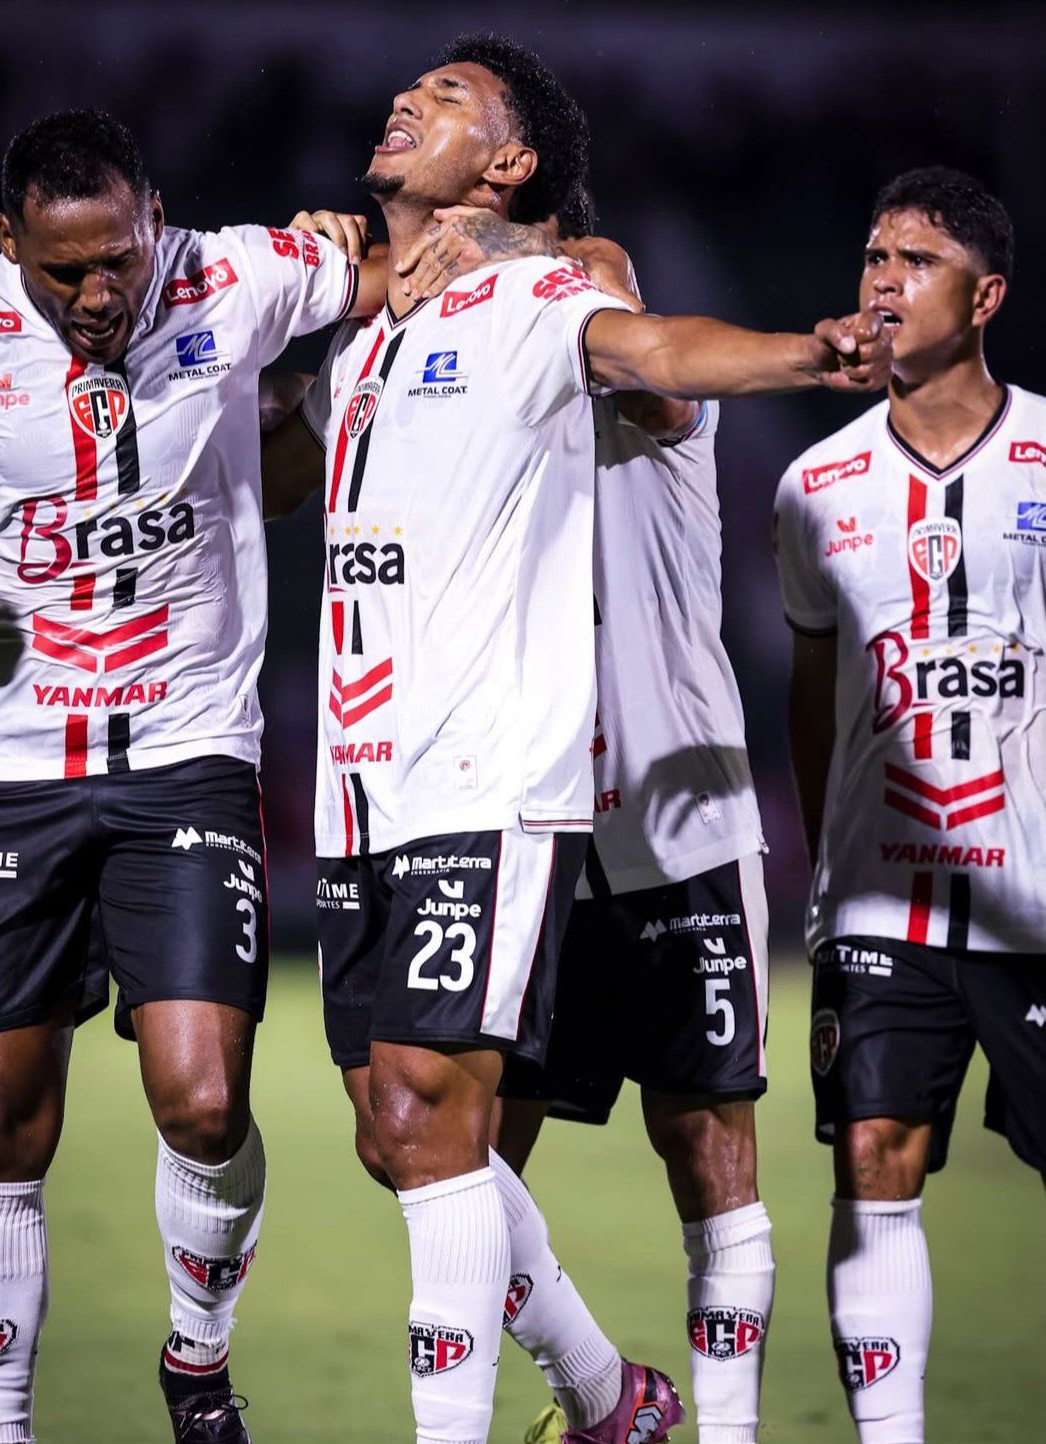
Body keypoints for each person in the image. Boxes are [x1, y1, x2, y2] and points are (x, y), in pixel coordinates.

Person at [266, 32, 887, 1444]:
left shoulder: (569, 299)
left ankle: (689, 1424)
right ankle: (611, 1396)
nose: (406, 100)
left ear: (514, 170)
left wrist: (804, 350)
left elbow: (648, 342)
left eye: (450, 101)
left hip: (640, 806)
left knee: (696, 1137)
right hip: (425, 783)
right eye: (406, 91)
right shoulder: (391, 337)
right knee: (412, 1139)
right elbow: (274, 451)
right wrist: (317, 294)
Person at [0, 108, 384, 1444]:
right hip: (0, 773)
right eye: (64, 272)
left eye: (119, 259)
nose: (99, 294)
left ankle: (197, 1360)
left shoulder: (235, 275)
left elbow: (416, 271)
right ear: (8, 245)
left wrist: (373, 253)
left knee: (206, 1101)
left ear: (154, 215)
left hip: (184, 757)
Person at [483, 189, 775, 1444]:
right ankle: (603, 1395)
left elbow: (609, 293)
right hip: (533, 823)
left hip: (681, 823)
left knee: (705, 1138)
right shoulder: (483, 416)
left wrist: (529, 262)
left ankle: (725, 1429)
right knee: (452, 1151)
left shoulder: (654, 385)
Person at [773, 166, 1043, 1444]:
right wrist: (828, 860)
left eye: (916, 260)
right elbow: (815, 692)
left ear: (984, 296)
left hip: (1036, 895)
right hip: (884, 896)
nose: (881, 280)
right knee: (873, 1154)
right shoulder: (814, 485)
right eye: (873, 255)